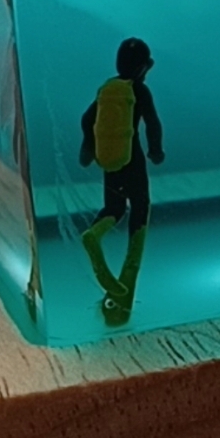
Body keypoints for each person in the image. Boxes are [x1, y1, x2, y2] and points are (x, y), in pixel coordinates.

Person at [79, 37, 164, 323]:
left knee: (114, 208)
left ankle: (94, 234)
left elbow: (86, 119)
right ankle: (127, 281)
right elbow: (152, 121)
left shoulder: (107, 88)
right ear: (143, 67)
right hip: (133, 159)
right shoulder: (139, 90)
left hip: (111, 160)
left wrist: (88, 148)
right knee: (140, 209)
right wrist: (156, 150)